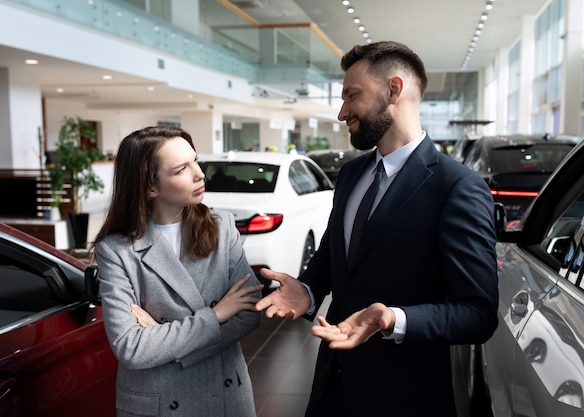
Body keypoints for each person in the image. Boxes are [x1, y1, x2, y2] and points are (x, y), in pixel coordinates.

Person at [255, 41, 499, 416]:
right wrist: (307, 289)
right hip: (332, 385)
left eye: (352, 96)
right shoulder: (352, 174)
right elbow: (334, 256)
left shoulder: (457, 187)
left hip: (405, 395)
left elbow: (477, 313)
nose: (341, 112)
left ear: (393, 90)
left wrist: (391, 318)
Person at [93, 126, 263, 417]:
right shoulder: (116, 250)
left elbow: (248, 314)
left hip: (226, 399)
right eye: (181, 169)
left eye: (195, 161)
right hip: (160, 402)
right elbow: (131, 347)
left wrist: (162, 337)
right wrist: (216, 315)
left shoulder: (222, 226)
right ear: (150, 187)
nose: (199, 174)